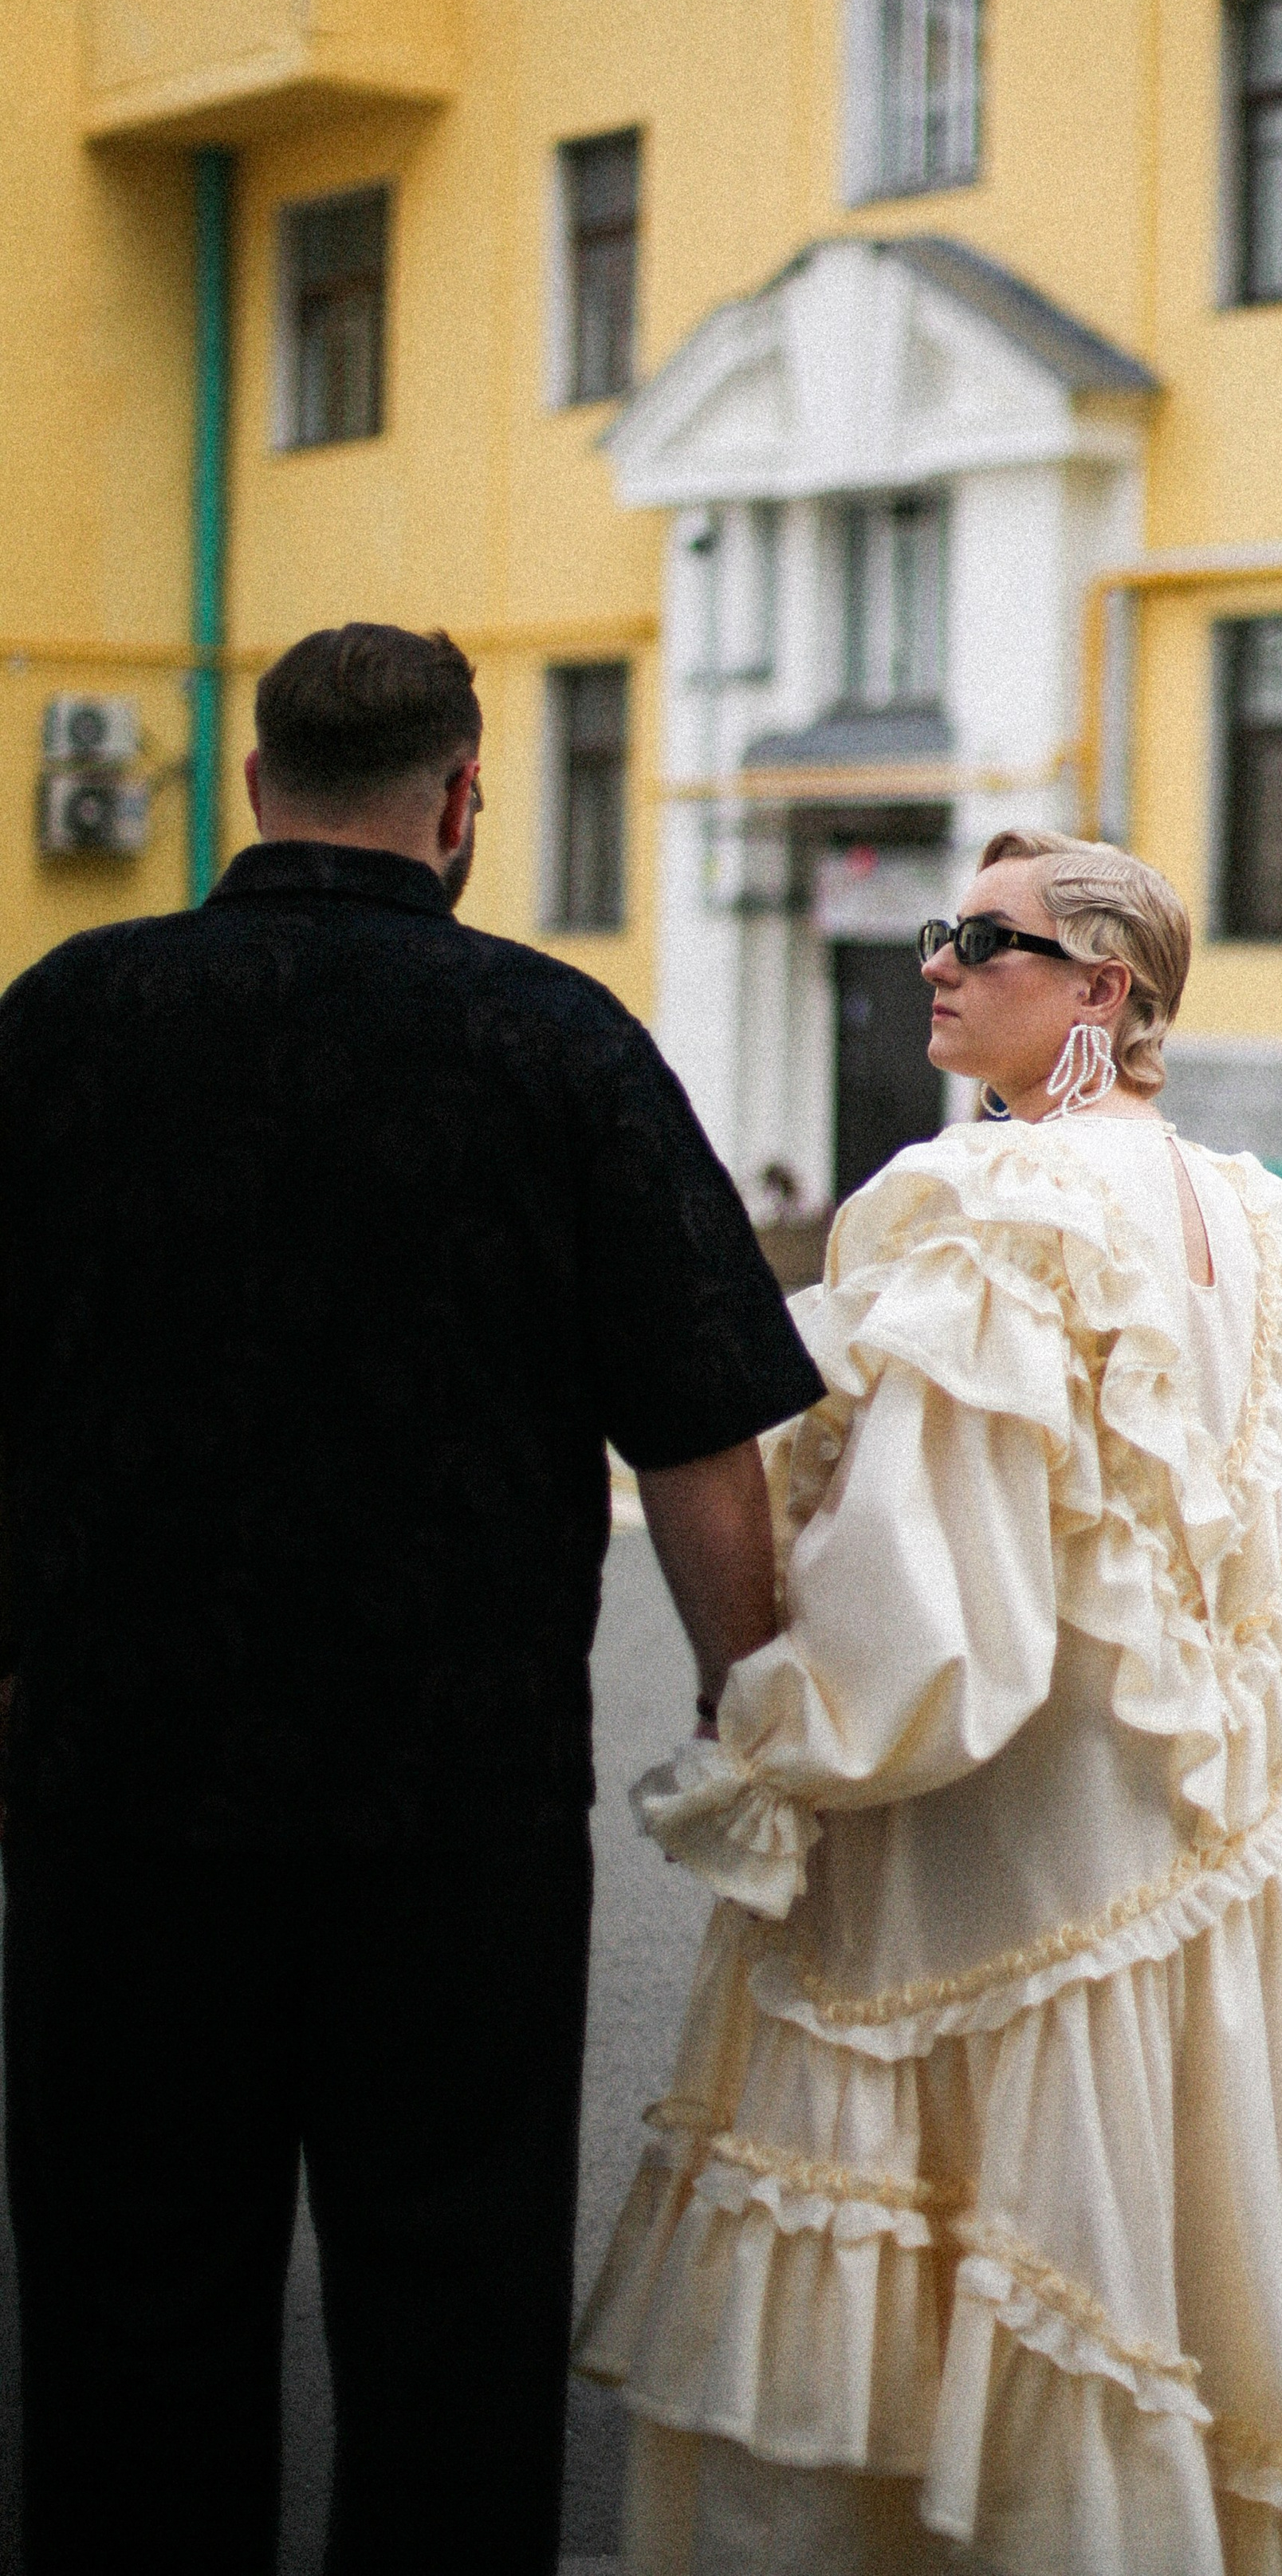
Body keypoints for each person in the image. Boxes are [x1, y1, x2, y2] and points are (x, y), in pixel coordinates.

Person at [0, 622, 824, 2575]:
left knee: (126, 2306)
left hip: (117, 1789)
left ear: (254, 784)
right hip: (447, 1808)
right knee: (448, 2311)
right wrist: (747, 1703)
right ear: (462, 802)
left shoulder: (66, 1014)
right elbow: (699, 1433)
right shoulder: (556, 1043)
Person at [577, 829, 1282, 2576]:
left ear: (1100, 990)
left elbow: (933, 1595)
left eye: (980, 940)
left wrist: (773, 1730)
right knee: (1178, 2258)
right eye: (943, 932)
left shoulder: (993, 1198)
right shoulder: (1248, 1215)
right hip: (1181, 1840)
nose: (935, 963)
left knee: (955, 2251)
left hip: (984, 1855)